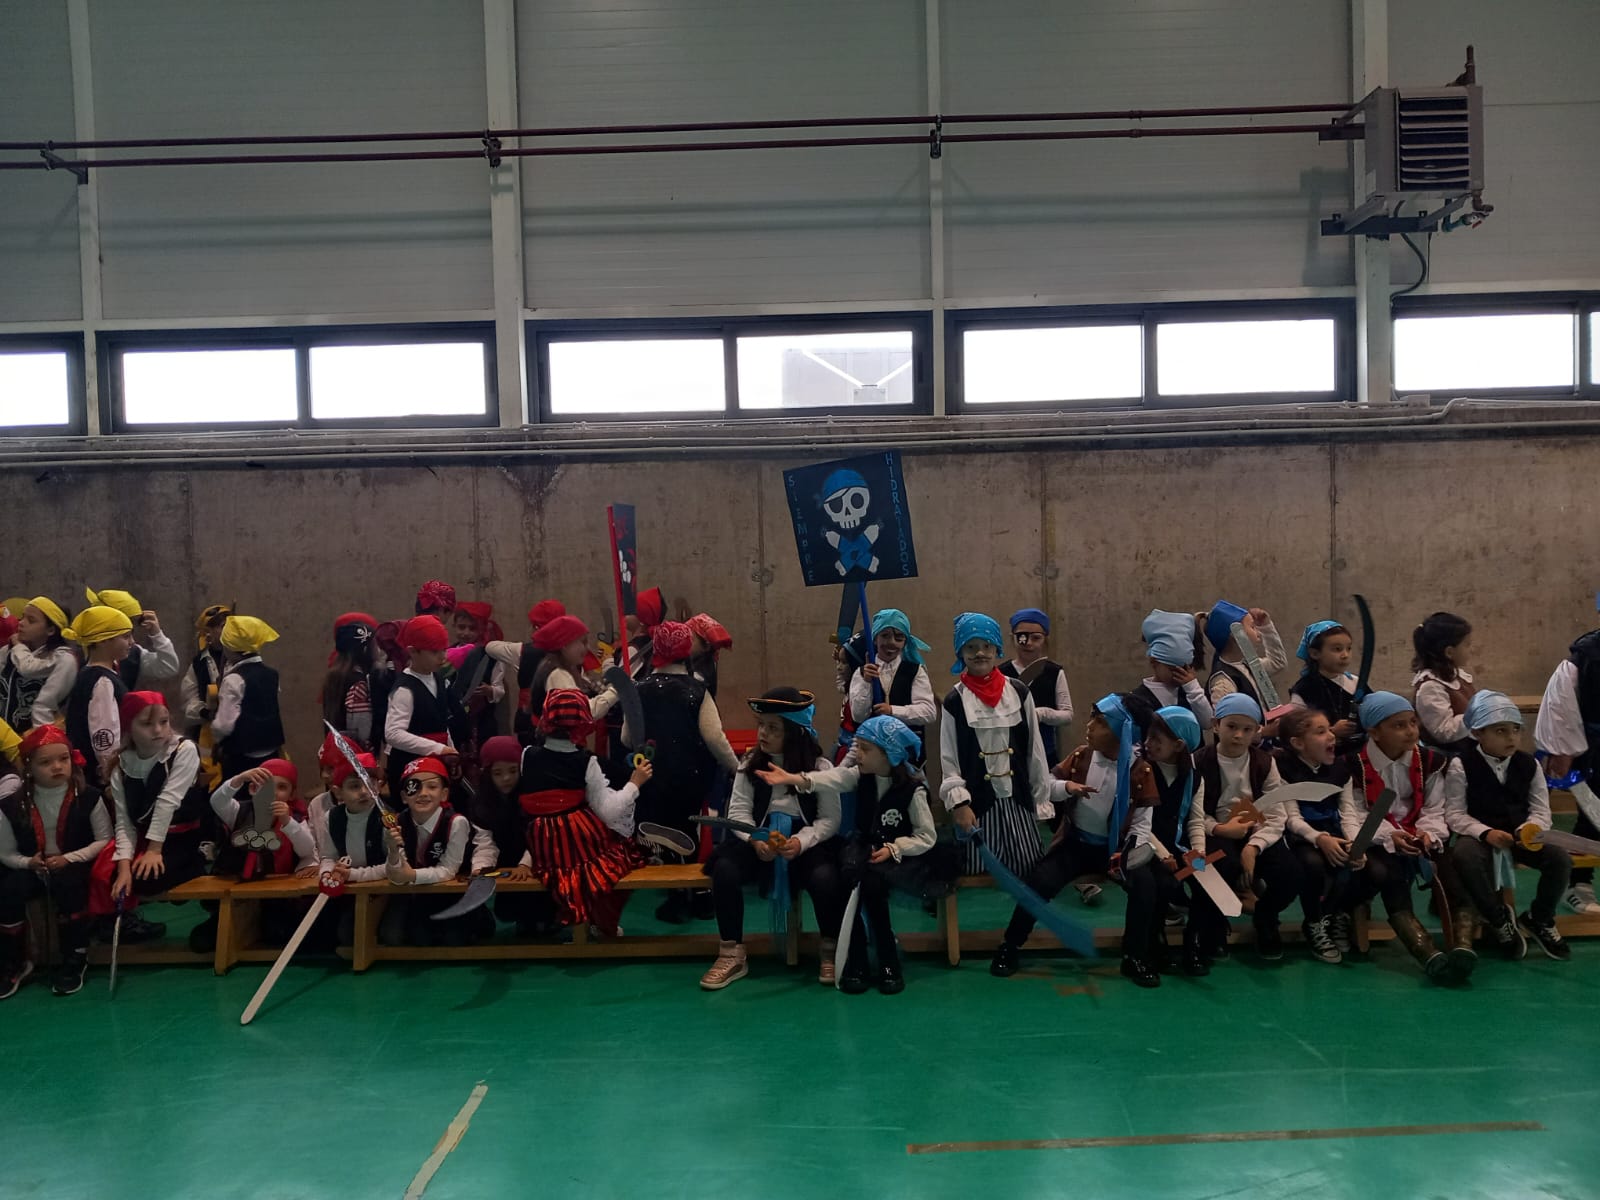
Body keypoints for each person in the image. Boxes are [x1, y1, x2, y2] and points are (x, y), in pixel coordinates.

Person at [990, 693, 1159, 984]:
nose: (1089, 725)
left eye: (1101, 722)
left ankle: (1134, 955)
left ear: (1123, 732)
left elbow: (1142, 823)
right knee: (1039, 882)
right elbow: (1045, 786)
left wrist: (1126, 854)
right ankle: (1010, 945)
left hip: (1116, 851)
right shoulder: (1082, 756)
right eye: (1093, 718)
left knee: (1145, 886)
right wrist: (1066, 787)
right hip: (1076, 844)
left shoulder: (1140, 771)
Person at [700, 688, 845, 990]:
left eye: (773, 727)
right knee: (725, 870)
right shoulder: (749, 763)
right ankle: (731, 952)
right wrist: (755, 839)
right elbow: (738, 810)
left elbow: (829, 819)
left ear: (794, 732)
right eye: (761, 725)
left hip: (806, 842)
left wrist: (801, 842)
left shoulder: (819, 768)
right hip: (760, 837)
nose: (763, 733)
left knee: (825, 877)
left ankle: (830, 947)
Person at [1445, 690, 1571, 962]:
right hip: (1480, 835)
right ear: (1477, 733)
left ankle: (1539, 918)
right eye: (1500, 731)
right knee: (1464, 856)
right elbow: (1455, 814)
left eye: (1516, 729)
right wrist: (1486, 833)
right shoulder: (1460, 764)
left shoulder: (1529, 764)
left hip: (1521, 836)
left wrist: (1531, 828)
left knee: (1559, 858)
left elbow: (1540, 808)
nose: (1511, 737)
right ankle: (1497, 918)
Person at [629, 621, 739, 924]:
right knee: (694, 833)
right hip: (692, 777)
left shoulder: (638, 690)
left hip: (652, 776)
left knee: (660, 834)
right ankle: (702, 897)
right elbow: (715, 738)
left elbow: (627, 737)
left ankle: (675, 896)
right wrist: (736, 768)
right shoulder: (696, 690)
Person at [516, 691, 650, 938]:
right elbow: (609, 812)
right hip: (575, 843)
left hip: (541, 844)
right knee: (628, 855)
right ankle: (603, 924)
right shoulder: (586, 761)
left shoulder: (527, 755)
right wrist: (635, 783)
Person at [1349, 691, 1460, 982]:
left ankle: (1463, 946)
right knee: (1390, 874)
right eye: (1398, 725)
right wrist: (1392, 836)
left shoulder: (1430, 761)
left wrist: (1428, 833)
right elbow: (1357, 814)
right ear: (1374, 732)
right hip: (1376, 837)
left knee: (1452, 869)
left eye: (1413, 722)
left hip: (1419, 833)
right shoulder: (1355, 765)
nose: (1411, 731)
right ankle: (1425, 951)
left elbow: (1435, 806)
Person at [940, 612, 1057, 881]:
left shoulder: (1018, 692)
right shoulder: (955, 700)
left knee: (1028, 867)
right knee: (977, 869)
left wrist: (1040, 798)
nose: (980, 653)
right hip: (978, 803)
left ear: (997, 649)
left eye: (986, 646)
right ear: (960, 652)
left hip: (1018, 800)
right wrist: (960, 803)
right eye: (971, 647)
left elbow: (1035, 751)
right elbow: (949, 759)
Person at [1185, 694, 1301, 963]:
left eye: (1247, 729)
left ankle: (1265, 918)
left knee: (1291, 874)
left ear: (1257, 731)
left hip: (1254, 832)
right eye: (1231, 726)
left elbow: (1275, 815)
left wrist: (1253, 846)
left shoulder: (1265, 763)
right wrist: (1220, 829)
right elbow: (1192, 813)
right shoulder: (1197, 761)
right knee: (1215, 867)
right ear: (1216, 725)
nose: (1238, 735)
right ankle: (1213, 924)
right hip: (1214, 832)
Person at [0, 726, 113, 998]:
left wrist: (69, 858)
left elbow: (104, 839)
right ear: (28, 768)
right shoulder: (11, 805)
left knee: (69, 886)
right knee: (8, 891)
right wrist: (28, 863)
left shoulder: (89, 797)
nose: (57, 767)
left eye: (63, 759)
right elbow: (5, 852)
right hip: (33, 865)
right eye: (46, 762)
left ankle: (75, 956)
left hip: (74, 863)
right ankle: (14, 962)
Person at [108, 692, 210, 945]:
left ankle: (196, 864)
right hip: (146, 838)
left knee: (149, 880)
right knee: (112, 878)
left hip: (181, 837)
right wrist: (123, 868)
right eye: (146, 724)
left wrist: (154, 851)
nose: (157, 730)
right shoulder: (121, 764)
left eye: (163, 722)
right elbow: (124, 821)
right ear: (128, 726)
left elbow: (167, 801)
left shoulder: (183, 750)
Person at [1275, 706, 1363, 964]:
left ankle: (1332, 915)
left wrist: (1356, 843)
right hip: (1299, 835)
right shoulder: (1282, 768)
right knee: (1312, 865)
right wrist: (1319, 839)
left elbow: (1348, 812)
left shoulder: (1340, 770)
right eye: (1321, 732)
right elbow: (1291, 817)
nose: (1331, 736)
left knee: (1354, 864)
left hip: (1332, 830)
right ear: (1298, 743)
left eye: (1330, 729)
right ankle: (1314, 923)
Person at [1535, 623, 1600, 914]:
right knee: (1593, 816)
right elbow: (1561, 706)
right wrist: (1563, 751)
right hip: (1589, 752)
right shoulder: (1584, 659)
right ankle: (1579, 884)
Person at [1139, 705, 1209, 978]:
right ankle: (1156, 938)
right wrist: (1163, 854)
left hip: (1180, 847)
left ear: (1179, 745)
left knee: (1205, 882)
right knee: (1163, 883)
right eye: (1148, 736)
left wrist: (1199, 853)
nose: (1148, 743)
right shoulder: (1142, 771)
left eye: (1157, 739)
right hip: (1148, 847)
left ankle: (1194, 942)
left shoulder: (1194, 778)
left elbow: (1195, 821)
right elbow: (1140, 823)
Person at [378, 756, 476, 946]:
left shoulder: (456, 823)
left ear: (444, 794)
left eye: (432, 786)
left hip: (454, 892)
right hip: (415, 894)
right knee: (403, 938)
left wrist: (411, 875)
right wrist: (392, 850)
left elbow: (448, 870)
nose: (423, 793)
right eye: (414, 787)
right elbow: (397, 874)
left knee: (454, 939)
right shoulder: (395, 824)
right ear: (404, 796)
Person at [467, 735, 553, 935]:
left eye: (513, 771)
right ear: (487, 773)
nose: (506, 778)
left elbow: (541, 835)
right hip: (506, 861)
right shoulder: (481, 803)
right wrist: (480, 868)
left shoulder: (534, 793)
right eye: (498, 773)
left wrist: (525, 864)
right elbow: (484, 842)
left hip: (540, 858)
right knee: (507, 910)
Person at [383, 615, 469, 796]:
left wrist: (451, 754)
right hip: (409, 766)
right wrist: (438, 749)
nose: (443, 657)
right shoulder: (405, 689)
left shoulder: (438, 679)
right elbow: (393, 734)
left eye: (444, 650)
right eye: (435, 652)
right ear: (413, 651)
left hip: (436, 764)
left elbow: (442, 724)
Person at [62, 606, 135, 790]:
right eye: (125, 637)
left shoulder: (92, 674)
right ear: (103, 640)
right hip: (100, 778)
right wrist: (109, 772)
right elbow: (104, 732)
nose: (132, 642)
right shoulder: (102, 681)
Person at [847, 609, 937, 752]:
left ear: (905, 642)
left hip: (907, 752)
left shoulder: (915, 671)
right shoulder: (861, 673)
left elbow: (929, 712)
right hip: (873, 751)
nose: (891, 643)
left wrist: (892, 710)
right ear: (875, 639)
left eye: (899, 638)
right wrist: (866, 683)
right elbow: (858, 716)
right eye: (885, 636)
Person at [212, 615, 286, 781]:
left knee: (240, 795)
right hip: (272, 752)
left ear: (229, 648)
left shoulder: (233, 679)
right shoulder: (272, 674)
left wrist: (217, 740)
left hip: (241, 758)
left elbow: (224, 725)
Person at [999, 608, 1074, 762]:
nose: (1028, 643)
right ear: (1013, 638)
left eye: (1036, 638)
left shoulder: (1054, 672)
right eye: (1022, 637)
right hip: (1010, 753)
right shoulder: (1001, 673)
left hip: (1046, 753)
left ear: (1045, 639)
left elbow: (1067, 715)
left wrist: (1042, 714)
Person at [0, 596, 77, 733]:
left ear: (51, 630)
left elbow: (43, 705)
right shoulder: (10, 650)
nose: (21, 623)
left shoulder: (63, 659)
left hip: (39, 733)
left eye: (31, 620)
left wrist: (40, 739)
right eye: (22, 617)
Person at [1289, 620, 1364, 755]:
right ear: (1315, 653)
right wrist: (1331, 731)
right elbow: (1297, 732)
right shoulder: (1303, 690)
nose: (1345, 655)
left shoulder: (1355, 682)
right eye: (1337, 649)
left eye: (1348, 648)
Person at [83, 587, 181, 689]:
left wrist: (157, 634)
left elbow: (168, 667)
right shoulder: (82, 656)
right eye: (125, 635)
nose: (132, 641)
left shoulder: (133, 654)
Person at [178, 604, 232, 789]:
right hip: (209, 735)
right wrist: (205, 712)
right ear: (208, 632)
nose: (228, 629)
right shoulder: (199, 664)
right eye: (222, 625)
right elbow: (188, 701)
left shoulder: (242, 657)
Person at [1134, 609, 1213, 730]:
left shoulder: (1189, 692)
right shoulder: (1139, 699)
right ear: (1154, 662)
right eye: (1173, 669)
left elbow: (1207, 723)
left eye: (1185, 668)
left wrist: (1193, 689)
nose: (1181, 674)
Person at [1411, 612, 1478, 753]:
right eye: (1467, 645)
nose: (1471, 650)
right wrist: (1477, 714)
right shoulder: (1431, 687)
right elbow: (1444, 732)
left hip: (1468, 751)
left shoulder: (1457, 676)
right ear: (1449, 652)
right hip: (1447, 757)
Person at [449, 601, 507, 762]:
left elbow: (499, 689)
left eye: (472, 628)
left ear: (481, 629)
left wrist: (490, 690)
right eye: (461, 627)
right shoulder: (448, 653)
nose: (466, 633)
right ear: (454, 626)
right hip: (456, 721)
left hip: (482, 721)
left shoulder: (491, 656)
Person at [1204, 600, 1288, 710]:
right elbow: (1227, 719)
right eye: (1252, 627)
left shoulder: (1247, 664)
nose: (1258, 633)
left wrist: (1266, 627)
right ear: (1236, 633)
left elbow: (1277, 662)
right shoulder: (1224, 682)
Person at [323, 612, 381, 750]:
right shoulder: (359, 684)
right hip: (356, 756)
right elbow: (361, 734)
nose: (378, 651)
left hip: (335, 750)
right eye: (375, 646)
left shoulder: (335, 675)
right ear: (365, 649)